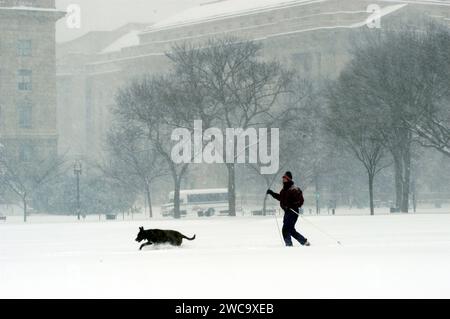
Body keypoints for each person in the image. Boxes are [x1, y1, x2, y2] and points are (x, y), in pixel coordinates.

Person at [267, 171, 310, 247]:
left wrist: (292, 204)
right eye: (283, 178)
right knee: (290, 229)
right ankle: (304, 242)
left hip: (293, 212)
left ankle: (289, 245)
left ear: (289, 179)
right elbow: (281, 198)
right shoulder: (283, 190)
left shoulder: (295, 189)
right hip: (287, 212)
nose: (283, 180)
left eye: (285, 178)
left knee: (286, 229)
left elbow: (300, 201)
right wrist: (272, 193)